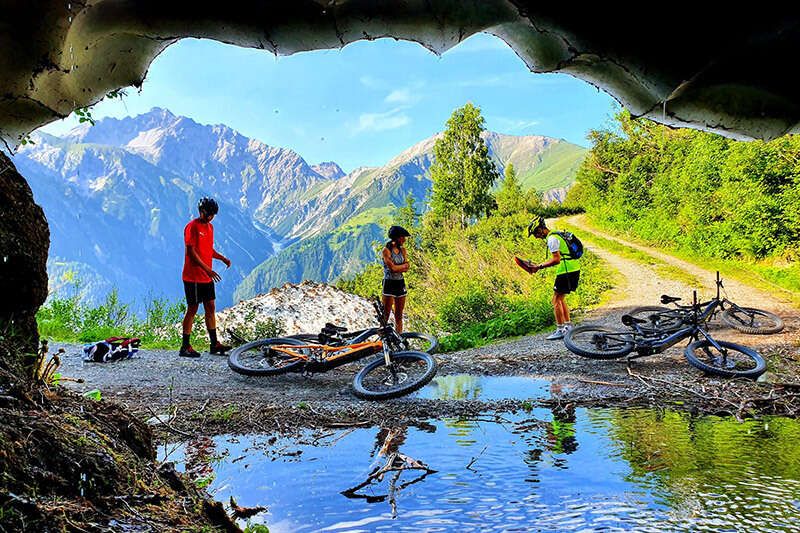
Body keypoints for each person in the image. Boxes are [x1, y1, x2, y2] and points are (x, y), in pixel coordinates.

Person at [179, 197, 232, 357]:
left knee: (210, 307)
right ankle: (185, 346)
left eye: (213, 215)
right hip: (193, 276)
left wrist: (222, 258)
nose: (211, 217)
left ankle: (214, 344)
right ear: (202, 212)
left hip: (206, 277)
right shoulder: (192, 227)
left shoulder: (210, 228)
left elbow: (208, 250)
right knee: (193, 309)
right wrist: (207, 269)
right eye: (209, 214)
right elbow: (191, 252)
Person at [525, 217, 581, 340]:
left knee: (555, 300)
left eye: (535, 233)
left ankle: (560, 329)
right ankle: (568, 327)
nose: (536, 236)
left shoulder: (551, 239)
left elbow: (556, 259)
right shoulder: (556, 234)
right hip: (573, 268)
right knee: (561, 299)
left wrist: (538, 266)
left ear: (541, 229)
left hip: (566, 271)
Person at [382, 225, 410, 333]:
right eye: (402, 237)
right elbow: (392, 268)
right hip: (389, 283)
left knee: (399, 315)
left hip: (400, 283)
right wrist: (402, 267)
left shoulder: (403, 250)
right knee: (386, 315)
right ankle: (384, 341)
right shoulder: (386, 251)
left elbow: (407, 266)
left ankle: (399, 339)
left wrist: (399, 267)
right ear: (396, 238)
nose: (404, 240)